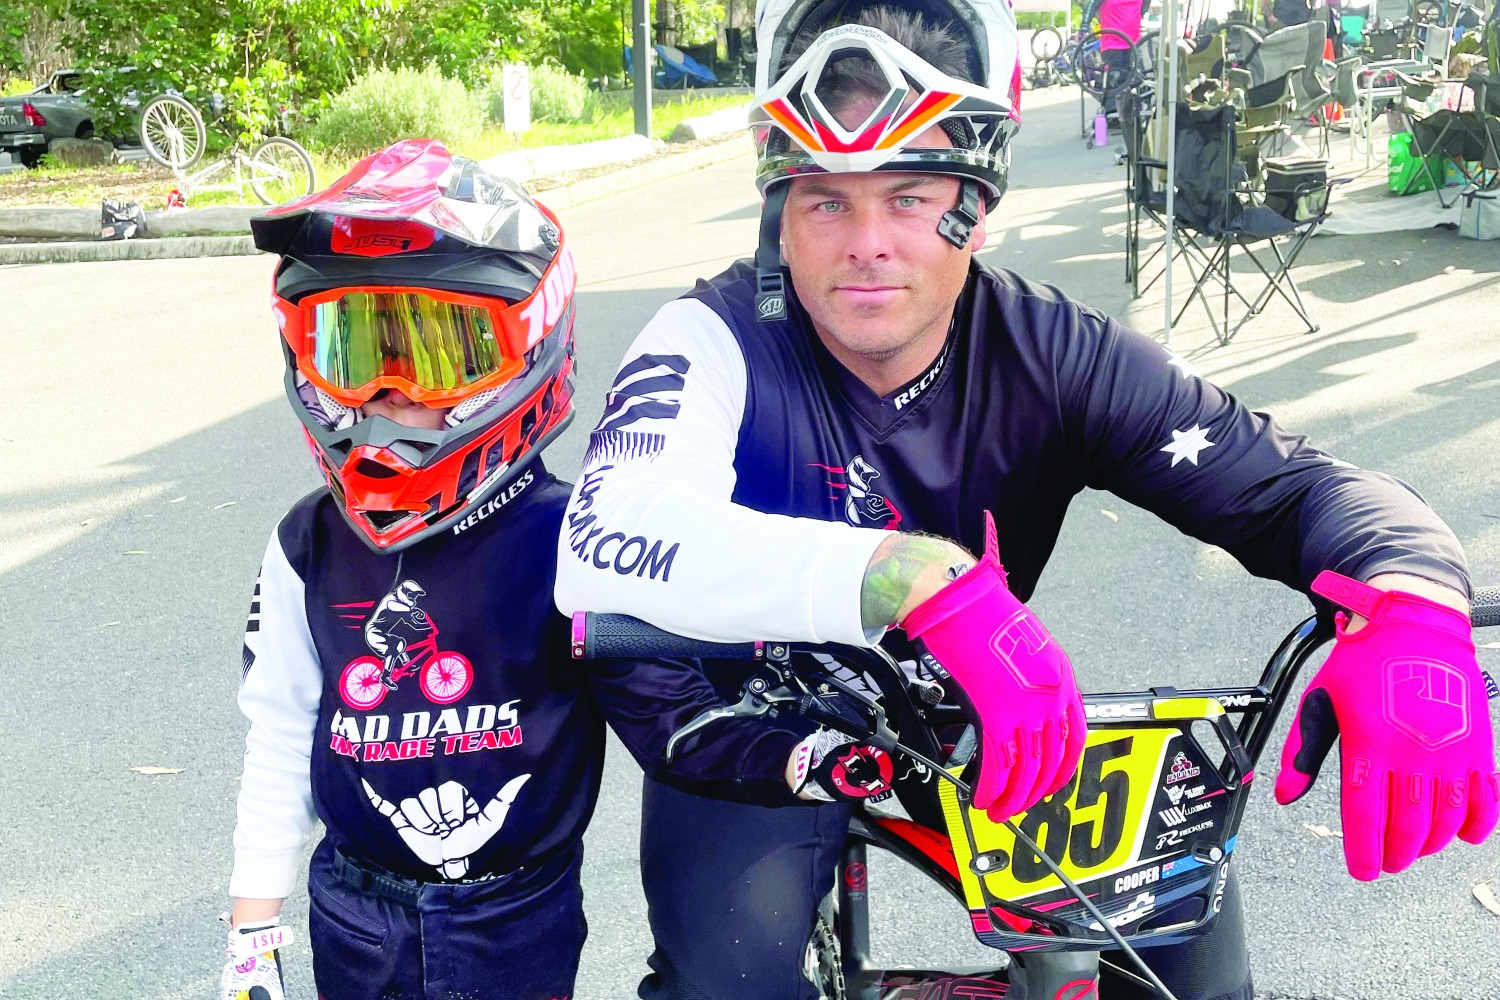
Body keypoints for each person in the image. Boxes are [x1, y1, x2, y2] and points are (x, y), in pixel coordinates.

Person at [552, 2, 1500, 1000]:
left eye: (911, 196)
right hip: (744, 719)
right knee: (725, 983)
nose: (867, 243)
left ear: (978, 200)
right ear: (777, 204)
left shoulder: (1054, 354)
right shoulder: (711, 336)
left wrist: (1411, 604)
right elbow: (606, 538)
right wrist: (915, 582)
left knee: (1188, 958)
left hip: (965, 700)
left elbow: (1291, 484)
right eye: (826, 201)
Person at [222, 139, 822, 1000]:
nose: (392, 395)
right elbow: (281, 733)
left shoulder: (573, 538)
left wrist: (795, 735)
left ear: (527, 343)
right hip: (354, 913)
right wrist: (251, 937)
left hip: (515, 917)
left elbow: (663, 702)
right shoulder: (307, 546)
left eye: (434, 355)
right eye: (356, 352)